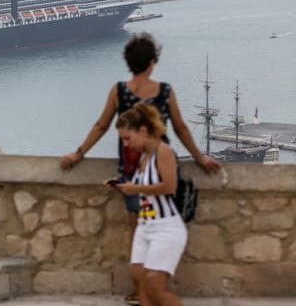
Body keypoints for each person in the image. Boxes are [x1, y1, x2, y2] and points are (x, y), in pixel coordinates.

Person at [59, 32, 219, 304]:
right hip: (163, 164)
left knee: (139, 230)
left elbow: (101, 125)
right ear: (152, 63)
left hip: (132, 167)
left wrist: (78, 153)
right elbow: (180, 127)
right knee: (163, 220)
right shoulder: (165, 91)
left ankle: (141, 291)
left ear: (129, 63)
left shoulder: (119, 90)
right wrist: (200, 157)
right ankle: (156, 288)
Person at [111, 103, 187, 306]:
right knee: (139, 280)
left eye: (128, 138)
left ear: (143, 130)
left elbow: (169, 186)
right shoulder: (144, 157)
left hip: (165, 228)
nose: (125, 144)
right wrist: (125, 187)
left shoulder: (163, 152)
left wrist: (134, 190)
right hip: (145, 226)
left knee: (154, 287)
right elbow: (146, 188)